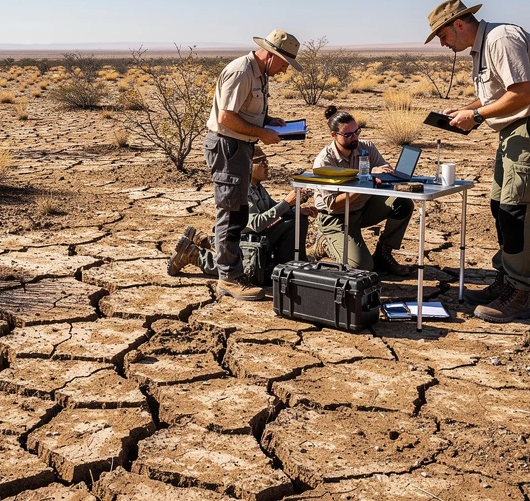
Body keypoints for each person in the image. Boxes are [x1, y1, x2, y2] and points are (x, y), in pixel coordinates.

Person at [426, 0, 530, 322]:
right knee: (501, 207)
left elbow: (525, 93)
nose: (444, 44)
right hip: (514, 131)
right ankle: (505, 281)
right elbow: (499, 95)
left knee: (519, 212)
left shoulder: (500, 40)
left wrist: (475, 114)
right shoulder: (483, 46)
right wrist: (465, 108)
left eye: (444, 36)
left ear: (459, 24)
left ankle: (518, 294)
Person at [203, 29, 303, 300]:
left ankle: (227, 269)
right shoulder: (241, 72)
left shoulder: (259, 73)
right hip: (227, 147)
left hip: (240, 146)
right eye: (284, 64)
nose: (284, 70)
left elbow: (245, 111)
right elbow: (226, 118)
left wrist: (269, 121)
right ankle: (227, 278)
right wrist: (261, 133)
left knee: (238, 212)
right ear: (271, 56)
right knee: (230, 214)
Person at [168, 146, 317, 279]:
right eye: (261, 161)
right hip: (242, 240)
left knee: (296, 220)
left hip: (255, 238)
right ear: (249, 166)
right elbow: (256, 224)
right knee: (248, 270)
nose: (267, 165)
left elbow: (273, 210)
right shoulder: (242, 191)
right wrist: (286, 203)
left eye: (267, 161)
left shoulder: (257, 187)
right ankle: (194, 255)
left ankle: (288, 266)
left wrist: (295, 210)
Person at [312, 106, 414, 276]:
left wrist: (386, 173)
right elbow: (333, 205)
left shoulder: (366, 147)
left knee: (402, 202)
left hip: (364, 209)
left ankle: (383, 254)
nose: (355, 138)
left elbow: (384, 169)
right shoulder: (325, 161)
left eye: (356, 131)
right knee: (361, 267)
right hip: (336, 218)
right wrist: (364, 181)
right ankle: (325, 241)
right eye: (348, 135)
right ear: (333, 135)